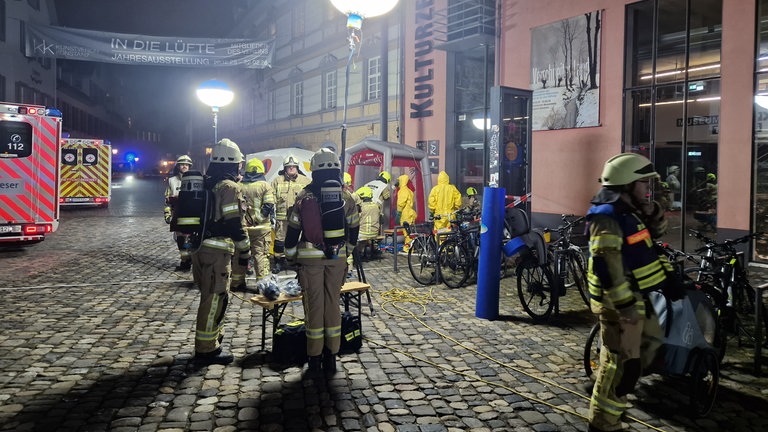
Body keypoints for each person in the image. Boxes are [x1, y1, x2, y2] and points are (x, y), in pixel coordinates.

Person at [585, 152, 673, 432]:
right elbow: (607, 266)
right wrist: (626, 308)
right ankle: (603, 421)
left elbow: (650, 238)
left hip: (633, 298)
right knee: (618, 365)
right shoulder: (606, 216)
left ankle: (616, 398)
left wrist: (653, 212)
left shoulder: (628, 211)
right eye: (644, 184)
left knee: (646, 349)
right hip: (617, 304)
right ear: (627, 184)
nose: (648, 190)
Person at [284, 148, 360, 375]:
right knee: (333, 305)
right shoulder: (346, 195)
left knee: (314, 307)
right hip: (336, 259)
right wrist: (347, 251)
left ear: (314, 169)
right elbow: (354, 227)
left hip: (310, 261)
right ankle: (332, 357)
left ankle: (314, 359)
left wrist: (289, 256)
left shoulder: (303, 196)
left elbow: (292, 231)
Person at [190, 138, 250, 366]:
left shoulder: (207, 183)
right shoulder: (229, 188)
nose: (239, 168)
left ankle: (213, 339)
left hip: (200, 249)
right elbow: (234, 223)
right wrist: (244, 251)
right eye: (238, 164)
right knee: (214, 299)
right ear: (231, 164)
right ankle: (206, 349)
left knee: (210, 298)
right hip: (217, 253)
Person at [231, 157, 276, 292]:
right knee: (260, 255)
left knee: (240, 254)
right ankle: (262, 285)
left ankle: (237, 282)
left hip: (243, 228)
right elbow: (268, 205)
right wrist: (258, 219)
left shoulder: (238, 186)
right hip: (261, 229)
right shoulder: (265, 186)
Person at [271, 154, 311, 273]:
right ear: (285, 168)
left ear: (297, 167)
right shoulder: (277, 181)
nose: (291, 168)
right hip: (282, 218)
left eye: (294, 166)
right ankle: (279, 262)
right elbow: (271, 197)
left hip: (299, 217)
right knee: (279, 241)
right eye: (289, 167)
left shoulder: (306, 181)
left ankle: (296, 261)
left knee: (298, 239)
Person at [164, 155, 194, 271]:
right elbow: (167, 199)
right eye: (182, 164)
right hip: (178, 214)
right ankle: (185, 261)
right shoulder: (172, 181)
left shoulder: (196, 180)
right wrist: (167, 214)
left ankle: (192, 259)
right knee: (180, 240)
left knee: (192, 239)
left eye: (187, 164)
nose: (184, 166)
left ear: (190, 166)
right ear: (178, 166)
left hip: (192, 215)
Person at [355, 186, 382, 260]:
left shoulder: (361, 207)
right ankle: (373, 251)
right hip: (374, 233)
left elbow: (356, 220)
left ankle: (358, 254)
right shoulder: (376, 206)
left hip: (362, 234)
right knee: (365, 239)